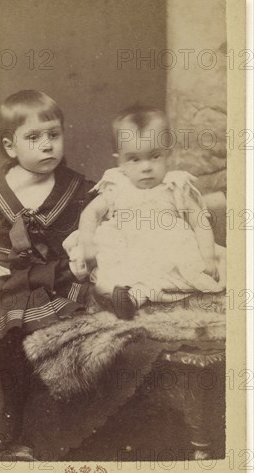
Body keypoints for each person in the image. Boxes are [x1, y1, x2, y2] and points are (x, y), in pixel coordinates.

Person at [0, 90, 94, 459]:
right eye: (33, 137)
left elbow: (92, 234)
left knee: (13, 337)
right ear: (10, 146)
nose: (47, 145)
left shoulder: (77, 190)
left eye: (54, 135)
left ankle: (8, 424)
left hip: (41, 276)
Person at [65, 104, 225, 320]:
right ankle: (118, 295)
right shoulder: (116, 187)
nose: (146, 167)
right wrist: (88, 242)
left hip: (167, 253)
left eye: (155, 156)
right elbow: (90, 214)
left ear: (168, 154)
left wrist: (207, 257)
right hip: (127, 250)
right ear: (119, 159)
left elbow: (199, 221)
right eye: (135, 159)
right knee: (106, 279)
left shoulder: (173, 187)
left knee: (179, 277)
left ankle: (134, 298)